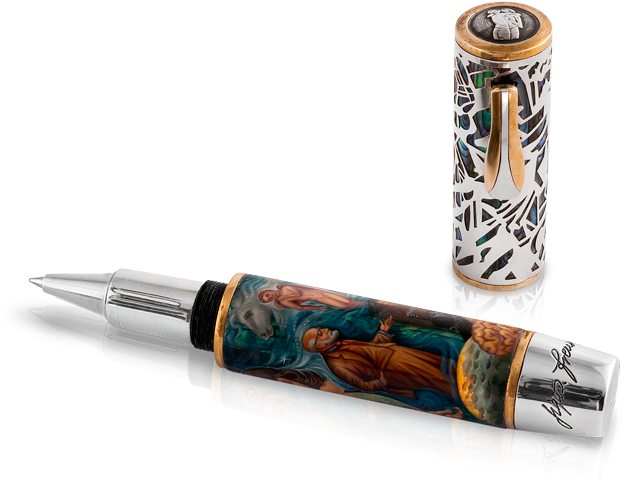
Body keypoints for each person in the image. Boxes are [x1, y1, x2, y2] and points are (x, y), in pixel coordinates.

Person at [301, 317, 463, 419]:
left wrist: (383, 333)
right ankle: (465, 392)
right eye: (320, 334)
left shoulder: (340, 344)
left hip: (396, 354)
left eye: (320, 330)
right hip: (396, 370)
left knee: (438, 364)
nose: (324, 330)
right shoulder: (336, 365)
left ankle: (465, 374)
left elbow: (370, 350)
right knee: (435, 377)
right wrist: (382, 381)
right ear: (319, 346)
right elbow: (362, 386)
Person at [243, 387, 343, 430]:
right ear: (251, 400)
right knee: (326, 424)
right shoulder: (264, 409)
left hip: (299, 414)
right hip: (298, 420)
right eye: (252, 396)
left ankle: (345, 429)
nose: (256, 396)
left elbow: (287, 398)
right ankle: (345, 431)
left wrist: (303, 405)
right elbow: (279, 411)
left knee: (326, 418)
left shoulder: (268, 397)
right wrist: (268, 401)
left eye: (255, 393)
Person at [258, 284, 364, 311]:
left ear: (269, 290)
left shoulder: (285, 288)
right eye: (269, 299)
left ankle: (366, 304)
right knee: (345, 306)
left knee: (349, 301)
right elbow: (300, 308)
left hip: (321, 292)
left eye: (268, 294)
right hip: (320, 298)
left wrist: (285, 298)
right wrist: (317, 308)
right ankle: (366, 307)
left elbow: (298, 294)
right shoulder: (284, 301)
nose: (271, 296)